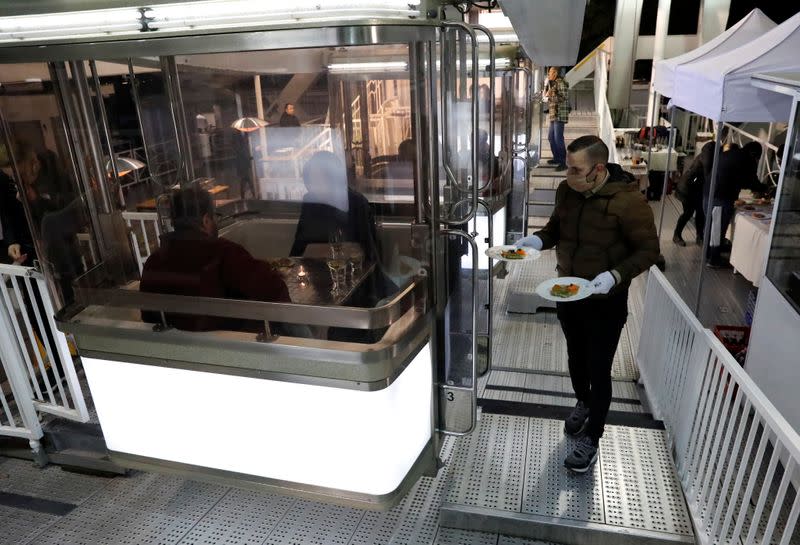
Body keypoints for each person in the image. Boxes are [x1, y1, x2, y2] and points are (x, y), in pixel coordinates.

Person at [516, 135, 660, 473]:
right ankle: (583, 401)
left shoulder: (628, 203)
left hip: (605, 302)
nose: (568, 174)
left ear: (597, 170)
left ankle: (592, 436)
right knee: (576, 358)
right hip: (568, 292)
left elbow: (649, 251)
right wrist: (537, 239)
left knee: (599, 367)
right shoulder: (568, 192)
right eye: (567, 166)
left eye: (575, 169)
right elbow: (556, 229)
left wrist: (615, 275)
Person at [140, 186, 290, 332]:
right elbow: (274, 291)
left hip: (170, 348)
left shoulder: (154, 261)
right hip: (225, 348)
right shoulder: (225, 253)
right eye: (215, 217)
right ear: (206, 220)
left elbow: (148, 317)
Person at [704, 141, 762, 268]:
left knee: (710, 226)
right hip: (720, 197)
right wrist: (764, 188)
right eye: (758, 158)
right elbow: (751, 182)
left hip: (707, 193)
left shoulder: (731, 153)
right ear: (754, 154)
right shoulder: (747, 160)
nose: (757, 161)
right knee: (717, 229)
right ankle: (713, 260)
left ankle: (707, 254)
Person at [673, 141, 712, 246]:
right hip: (687, 189)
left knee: (700, 213)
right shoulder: (707, 158)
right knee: (688, 213)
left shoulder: (704, 155)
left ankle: (699, 237)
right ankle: (676, 235)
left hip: (694, 189)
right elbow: (707, 173)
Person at [544, 66, 570, 171]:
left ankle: (564, 162)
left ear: (555, 73)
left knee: (558, 138)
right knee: (551, 137)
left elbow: (564, 97)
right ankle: (557, 158)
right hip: (553, 114)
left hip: (559, 114)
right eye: (549, 72)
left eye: (550, 72)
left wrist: (550, 98)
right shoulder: (552, 83)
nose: (549, 74)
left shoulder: (560, 82)